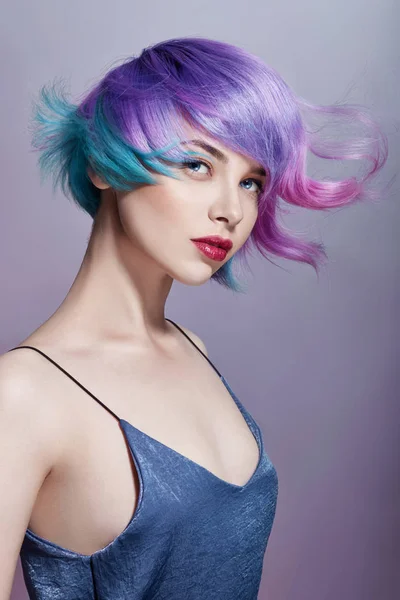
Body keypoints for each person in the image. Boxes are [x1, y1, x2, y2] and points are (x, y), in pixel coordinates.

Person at [0, 36, 388, 600]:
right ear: (105, 164)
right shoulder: (23, 397)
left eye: (250, 181)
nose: (231, 209)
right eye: (197, 163)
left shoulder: (192, 350)